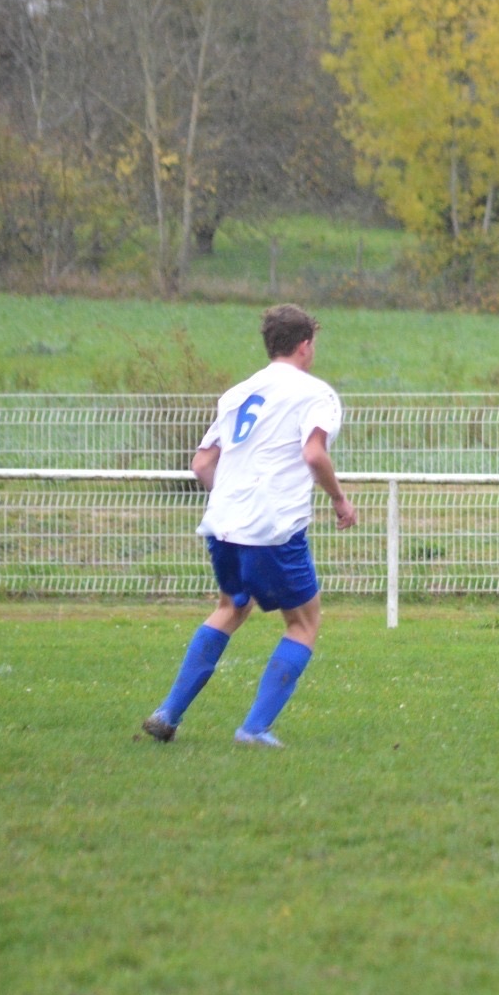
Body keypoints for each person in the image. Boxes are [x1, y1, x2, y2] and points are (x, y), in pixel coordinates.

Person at [141, 304, 358, 748]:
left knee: (231, 607)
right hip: (272, 526)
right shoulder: (314, 394)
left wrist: (233, 501)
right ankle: (254, 729)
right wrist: (339, 500)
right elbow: (313, 453)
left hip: (224, 524)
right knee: (303, 623)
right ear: (305, 345)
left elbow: (202, 464)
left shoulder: (237, 393)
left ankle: (167, 714)